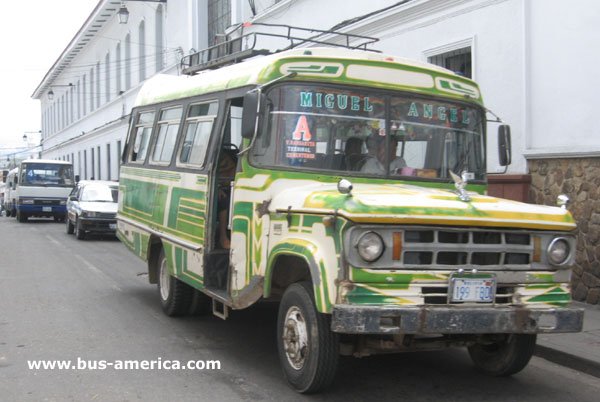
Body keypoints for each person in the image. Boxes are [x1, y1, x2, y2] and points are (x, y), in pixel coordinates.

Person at [217, 150, 237, 249]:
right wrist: (218, 188)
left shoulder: (229, 158)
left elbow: (233, 174)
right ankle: (223, 237)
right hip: (219, 188)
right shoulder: (215, 156)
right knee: (224, 201)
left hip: (231, 185)